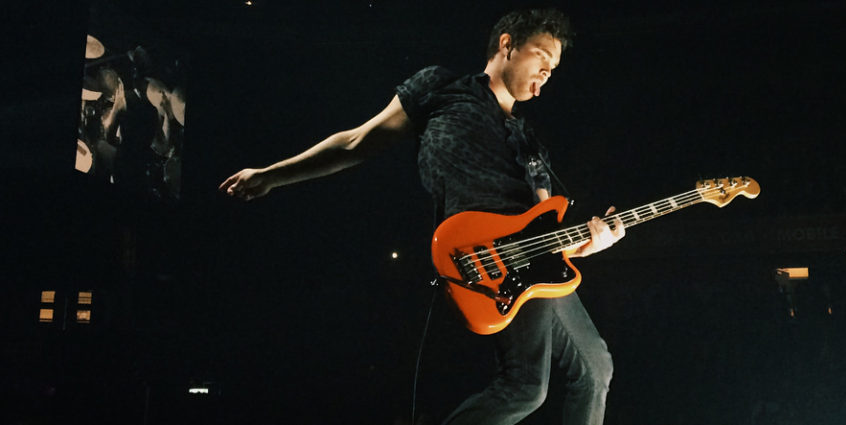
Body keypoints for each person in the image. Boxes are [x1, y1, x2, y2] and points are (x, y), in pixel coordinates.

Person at [220, 9, 624, 424]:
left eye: (553, 68)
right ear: (507, 44)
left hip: (531, 259)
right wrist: (271, 175)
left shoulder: (531, 144)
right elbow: (355, 142)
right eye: (541, 55)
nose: (546, 71)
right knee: (525, 386)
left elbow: (548, 225)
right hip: (483, 250)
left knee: (595, 369)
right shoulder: (442, 88)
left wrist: (589, 243)